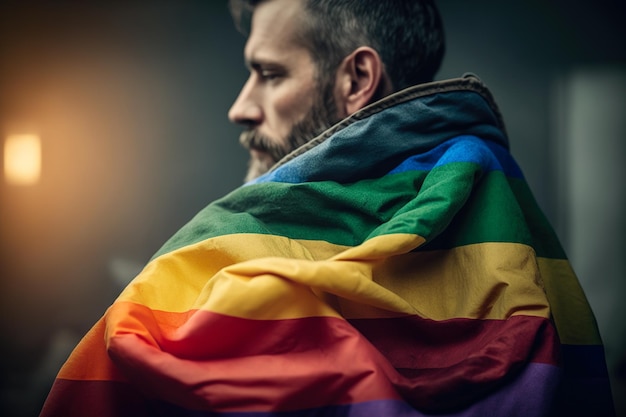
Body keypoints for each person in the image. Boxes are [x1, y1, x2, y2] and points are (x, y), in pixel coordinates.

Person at [40, 1, 615, 416]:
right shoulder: (513, 231)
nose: (241, 107)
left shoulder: (233, 254)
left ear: (357, 79)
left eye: (269, 74)